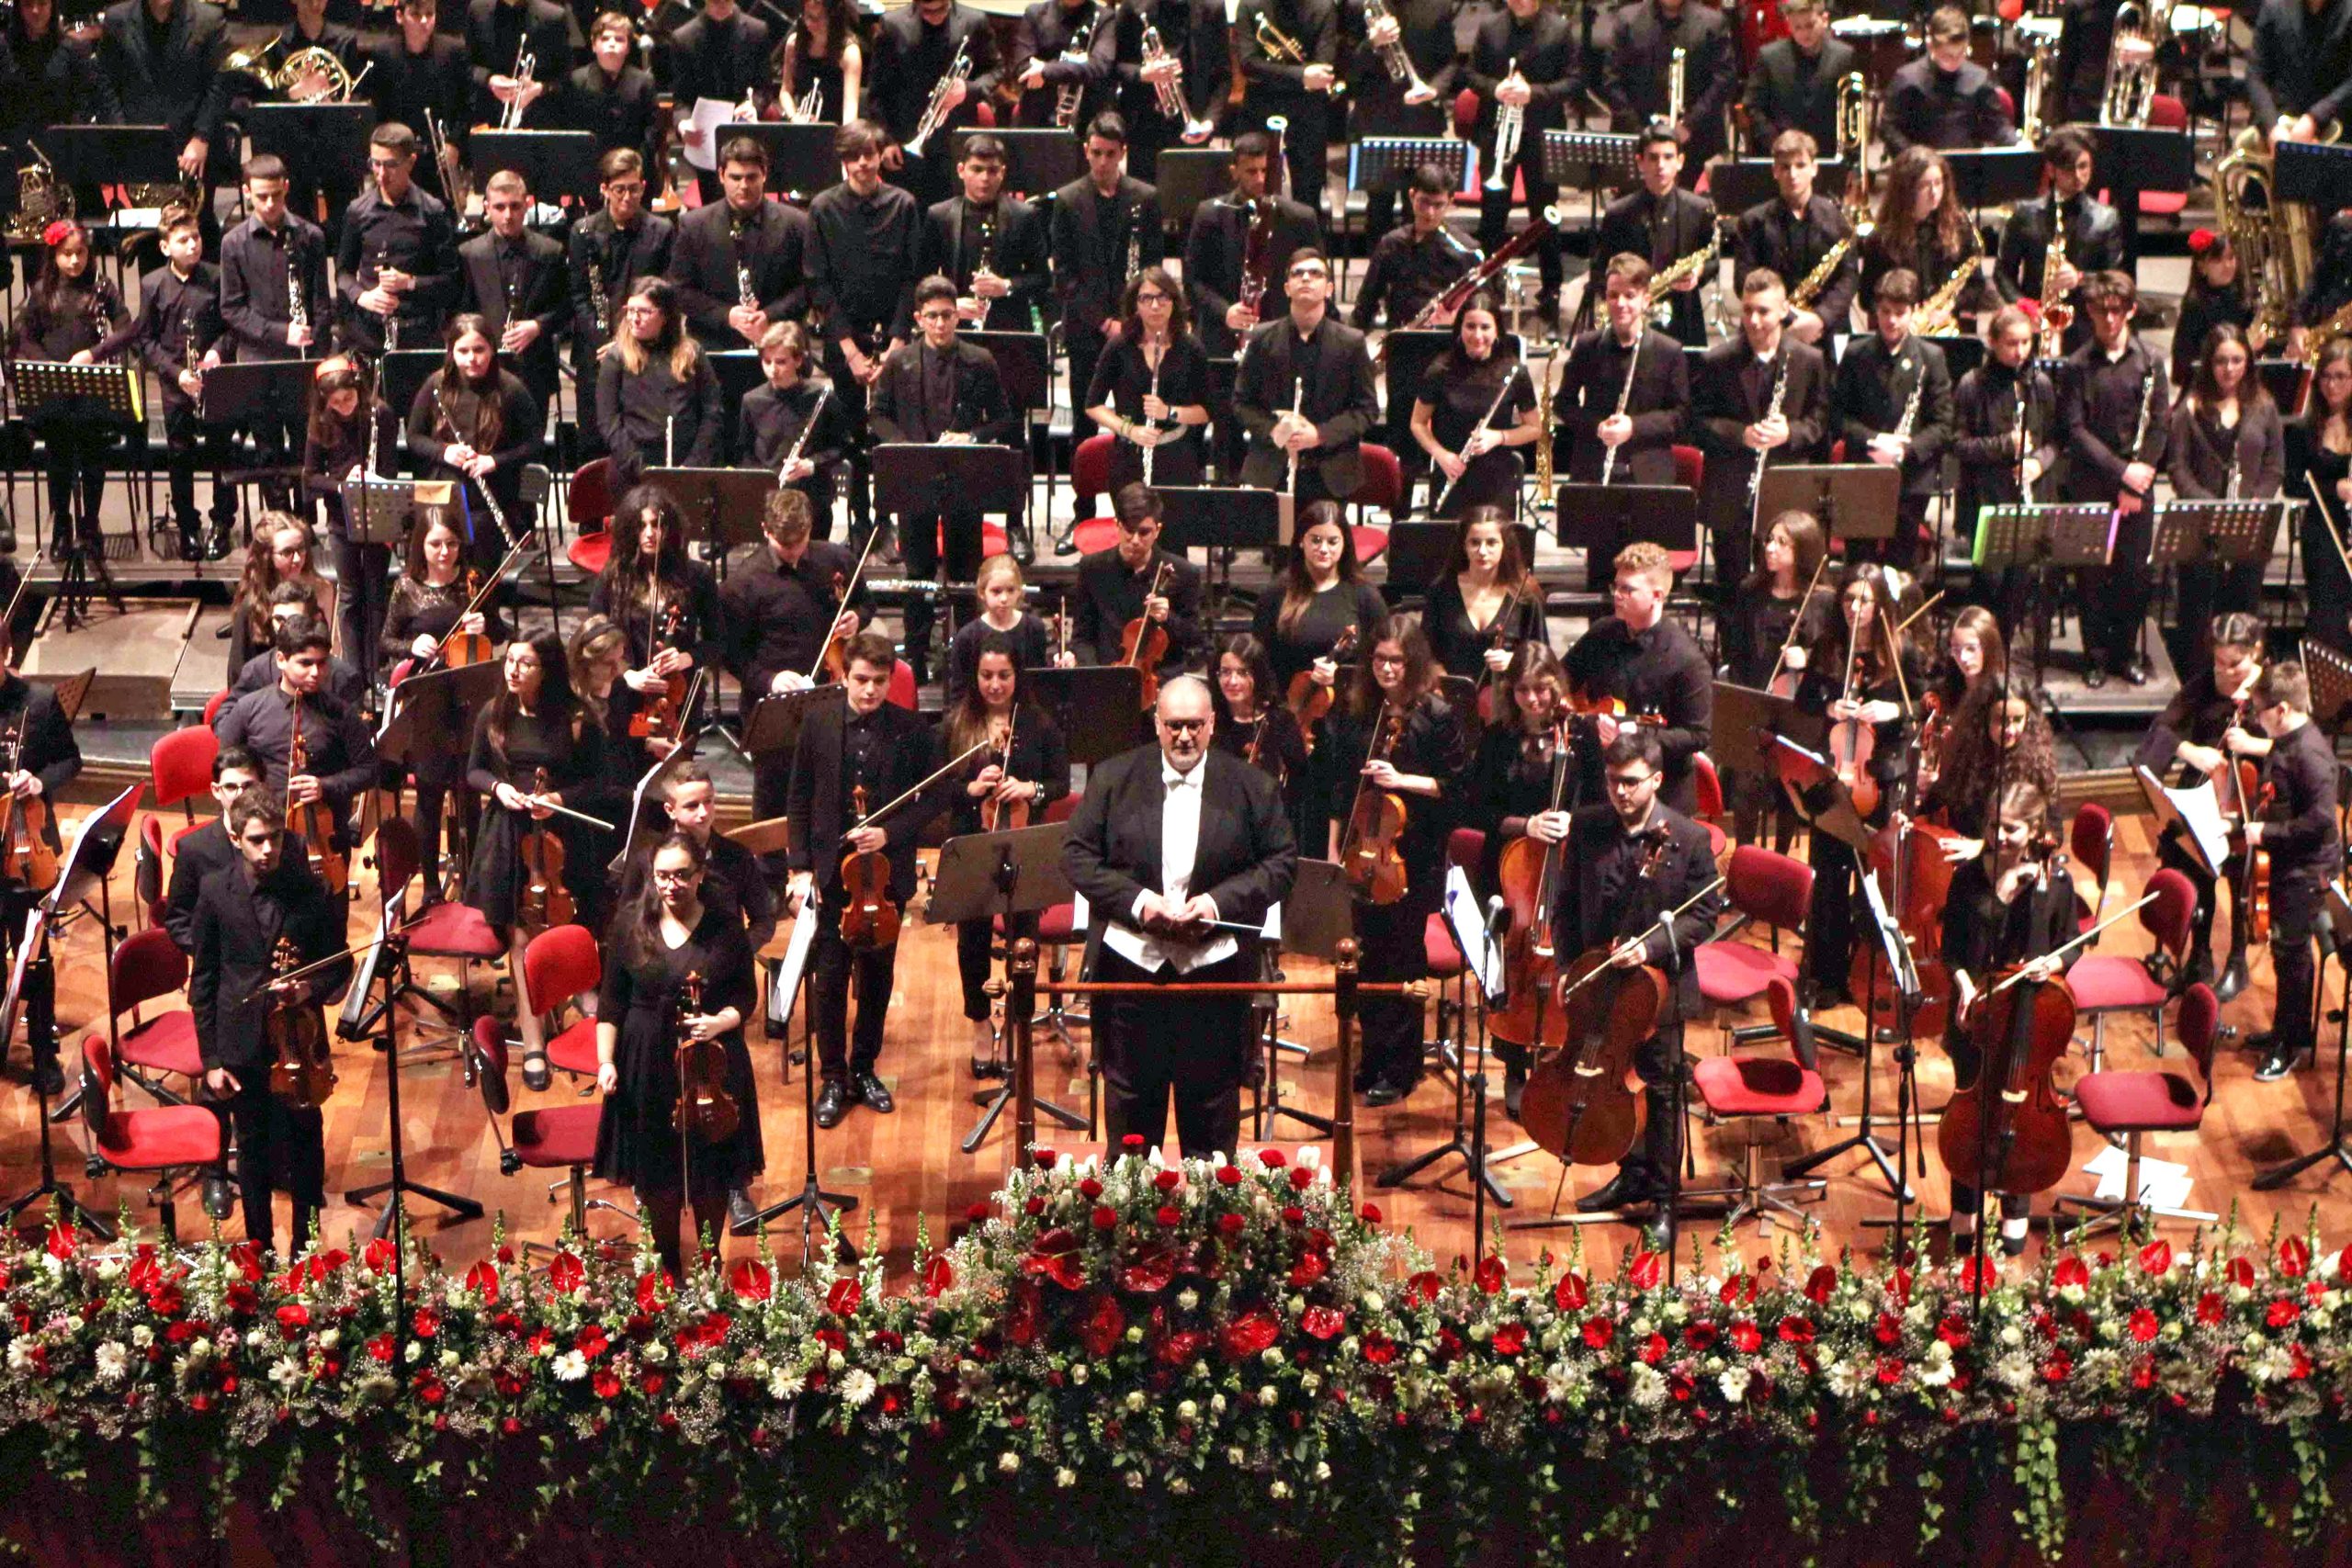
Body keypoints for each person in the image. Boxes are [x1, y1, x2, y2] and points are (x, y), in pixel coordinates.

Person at [1064, 674, 1298, 1156]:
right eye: (1174, 726)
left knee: (1211, 1116)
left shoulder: (1252, 785)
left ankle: (1213, 1226)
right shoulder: (1113, 778)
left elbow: (1281, 864)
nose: (1184, 736)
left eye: (1194, 725)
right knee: (1130, 1112)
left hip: (1212, 975)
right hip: (1131, 969)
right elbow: (1077, 857)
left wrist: (1216, 905)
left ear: (1212, 724)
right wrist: (1139, 902)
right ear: (1156, 724)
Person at [786, 632, 949, 1126]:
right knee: (830, 980)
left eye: (880, 682)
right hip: (831, 876)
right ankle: (833, 1075)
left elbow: (935, 798)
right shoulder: (817, 723)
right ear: (843, 676)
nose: (870, 691)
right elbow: (798, 798)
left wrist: (890, 832)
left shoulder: (911, 728)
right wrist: (799, 867)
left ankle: (864, 1067)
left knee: (877, 978)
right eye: (861, 680)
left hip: (885, 876)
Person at [1561, 729, 1725, 1213]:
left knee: (1661, 1089)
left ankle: (1663, 1199)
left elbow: (1703, 917)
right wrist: (1570, 968)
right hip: (1598, 980)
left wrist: (1649, 948)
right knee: (1613, 1084)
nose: (1621, 792)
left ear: (1656, 779)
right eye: (1614, 782)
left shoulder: (1690, 838)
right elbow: (1567, 904)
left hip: (1660, 988)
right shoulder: (1589, 827)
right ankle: (1629, 1175)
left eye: (1632, 782)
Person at [592, 832, 763, 1279]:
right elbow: (611, 1004)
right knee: (656, 1171)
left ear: (700, 874)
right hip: (646, 1058)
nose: (671, 885)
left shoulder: (725, 926)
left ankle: (709, 1260)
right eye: (662, 876)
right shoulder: (631, 924)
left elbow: (746, 996)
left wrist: (720, 1022)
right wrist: (606, 1062)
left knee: (712, 1166)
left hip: (713, 1062)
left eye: (681, 876)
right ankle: (669, 1264)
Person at [190, 795, 351, 1259]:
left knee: (305, 1141)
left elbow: (337, 965)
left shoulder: (309, 889)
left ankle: (305, 1248)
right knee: (253, 1145)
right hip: (241, 1039)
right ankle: (258, 1248)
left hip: (298, 1039)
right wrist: (212, 1060)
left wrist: (307, 990)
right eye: (256, 840)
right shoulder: (216, 892)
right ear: (236, 840)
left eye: (274, 838)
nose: (267, 849)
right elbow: (203, 980)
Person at [1327, 618, 1466, 1105]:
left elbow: (1456, 792)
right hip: (1363, 851)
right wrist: (1334, 852)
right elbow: (1340, 786)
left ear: (1414, 663)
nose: (1386, 669)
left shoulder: (1438, 715)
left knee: (1402, 958)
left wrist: (1401, 780)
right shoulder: (1359, 710)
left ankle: (1402, 1067)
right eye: (1379, 659)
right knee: (1365, 957)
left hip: (1414, 855)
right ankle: (1372, 1059)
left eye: (1396, 660)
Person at [1939, 778, 2077, 1256]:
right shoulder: (1970, 876)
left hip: (2031, 1018)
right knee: (1972, 1116)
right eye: (1995, 826)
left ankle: (2016, 1212)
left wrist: (2053, 963)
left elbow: (2072, 944)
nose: (1999, 838)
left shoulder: (2056, 881)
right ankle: (1964, 1210)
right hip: (1977, 1017)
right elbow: (1955, 951)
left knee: (2022, 1105)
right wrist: (1964, 989)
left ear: (2036, 829)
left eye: (2012, 830)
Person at [466, 631, 604, 1076]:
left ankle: (589, 1009)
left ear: (547, 671)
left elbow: (601, 783)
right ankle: (532, 1043)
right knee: (521, 937)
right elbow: (475, 771)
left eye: (525, 663)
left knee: (574, 925)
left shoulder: (577, 718)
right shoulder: (494, 713)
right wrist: (500, 787)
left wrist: (559, 799)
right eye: (510, 661)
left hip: (561, 837)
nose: (513, 670)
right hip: (508, 835)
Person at [870, 275, 1018, 680]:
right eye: (932, 316)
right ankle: (916, 661)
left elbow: (1005, 418)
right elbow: (878, 415)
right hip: (915, 477)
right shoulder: (899, 363)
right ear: (918, 318)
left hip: (964, 478)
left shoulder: (980, 360)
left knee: (965, 575)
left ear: (959, 316)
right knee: (916, 573)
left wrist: (971, 436)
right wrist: (905, 447)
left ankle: (964, 660)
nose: (940, 324)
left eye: (948, 316)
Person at [940, 634, 1069, 1074]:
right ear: (974, 677)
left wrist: (1031, 789)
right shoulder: (958, 724)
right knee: (972, 940)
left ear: (1018, 676)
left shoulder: (1039, 725)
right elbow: (941, 790)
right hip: (973, 845)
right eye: (986, 676)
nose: (994, 685)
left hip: (1023, 844)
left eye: (1003, 676)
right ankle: (980, 1023)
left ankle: (1017, 1023)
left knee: (1024, 940)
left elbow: (1061, 784)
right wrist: (971, 789)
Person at [1793, 564, 1924, 1001]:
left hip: (1881, 776)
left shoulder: (1902, 652)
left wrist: (1893, 713)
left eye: (1864, 600)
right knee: (1829, 877)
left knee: (1874, 881)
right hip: (1836, 772)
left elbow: (1921, 706)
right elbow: (1805, 698)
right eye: (1848, 599)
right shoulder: (1830, 647)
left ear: (1881, 604)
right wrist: (1831, 708)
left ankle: (1867, 973)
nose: (1855, 608)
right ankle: (1826, 976)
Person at [721, 488, 867, 839]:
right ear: (765, 530)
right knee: (774, 795)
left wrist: (856, 618)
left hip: (830, 691)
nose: (793, 553)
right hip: (773, 703)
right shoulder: (742, 583)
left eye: (800, 542)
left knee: (832, 786)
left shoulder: (835, 559)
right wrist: (769, 679)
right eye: (783, 546)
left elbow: (865, 601)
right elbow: (729, 654)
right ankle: (770, 879)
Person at [2132, 612, 2265, 991]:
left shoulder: (2271, 689)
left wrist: (2255, 745)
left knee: (2239, 870)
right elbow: (2163, 727)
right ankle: (2200, 955)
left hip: (2253, 798)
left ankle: (2238, 957)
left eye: (2235, 664)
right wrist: (2192, 751)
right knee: (2188, 851)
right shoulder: (2206, 684)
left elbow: (2297, 745)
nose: (2225, 672)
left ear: (2255, 652)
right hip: (2206, 790)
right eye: (2219, 663)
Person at [1466, 642, 1570, 1117]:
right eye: (1524, 690)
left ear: (1557, 687)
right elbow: (1479, 809)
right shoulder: (1497, 739)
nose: (1533, 700)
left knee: (1565, 963)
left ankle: (1559, 1061)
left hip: (1564, 868)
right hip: (1509, 870)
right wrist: (1525, 825)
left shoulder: (1578, 739)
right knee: (1508, 970)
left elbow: (1600, 802)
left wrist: (1570, 822)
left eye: (1542, 689)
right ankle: (1511, 1064)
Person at [807, 119, 923, 542]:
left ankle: (888, 519)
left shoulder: (904, 205)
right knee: (853, 431)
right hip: (845, 338)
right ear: (843, 162)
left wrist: (896, 342)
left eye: (869, 155)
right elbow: (819, 285)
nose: (862, 164)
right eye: (853, 157)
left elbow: (912, 278)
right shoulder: (822, 208)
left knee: (890, 432)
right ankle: (858, 520)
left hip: (894, 338)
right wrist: (851, 352)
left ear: (880, 157)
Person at [382, 513, 512, 892]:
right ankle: (431, 887)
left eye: (452, 544)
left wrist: (485, 626)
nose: (444, 552)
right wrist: (412, 645)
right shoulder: (407, 586)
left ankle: (471, 880)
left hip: (471, 697)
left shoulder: (474, 583)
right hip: (428, 697)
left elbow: (504, 632)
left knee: (469, 792)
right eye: (436, 544)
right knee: (429, 793)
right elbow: (384, 641)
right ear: (421, 544)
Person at [94, 206, 229, 563]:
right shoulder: (153, 284)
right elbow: (146, 340)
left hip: (213, 381)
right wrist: (174, 372)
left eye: (196, 237)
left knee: (220, 452)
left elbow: (230, 327)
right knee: (180, 456)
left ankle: (221, 523)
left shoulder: (216, 277)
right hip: (176, 385)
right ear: (166, 247)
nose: (192, 245)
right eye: (183, 240)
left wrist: (216, 352)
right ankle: (187, 526)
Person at [1250, 502, 1388, 847]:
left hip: (1348, 720)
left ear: (1345, 545)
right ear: (1300, 542)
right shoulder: (1276, 595)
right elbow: (1260, 659)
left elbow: (1384, 664)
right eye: (1315, 540)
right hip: (1293, 719)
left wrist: (1341, 678)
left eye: (1332, 541)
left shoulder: (1365, 597)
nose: (1324, 549)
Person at [2233, 661, 2342, 1080]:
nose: (2256, 721)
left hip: (2306, 870)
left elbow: (2320, 822)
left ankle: (2292, 1042)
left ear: (2280, 710)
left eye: (2261, 712)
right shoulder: (2284, 739)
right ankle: (2288, 1030)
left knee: (2292, 956)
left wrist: (2268, 832)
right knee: (2286, 953)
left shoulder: (2310, 755)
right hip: (2287, 861)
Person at [2060, 268, 2169, 686]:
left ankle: (2125, 654)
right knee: (2091, 576)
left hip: (2138, 489)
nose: (2109, 320)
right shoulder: (2076, 366)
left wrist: (2134, 481)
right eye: (2101, 312)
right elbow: (2074, 430)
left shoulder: (2151, 361)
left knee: (2134, 576)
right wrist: (2121, 471)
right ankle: (2095, 657)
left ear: (2131, 311)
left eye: (2117, 312)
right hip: (2093, 483)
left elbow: (2159, 424)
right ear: (2088, 312)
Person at [1690, 268, 1830, 592]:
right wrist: (1742, 434)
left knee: (1784, 586)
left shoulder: (1809, 360)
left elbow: (1819, 420)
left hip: (1786, 486)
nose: (1753, 320)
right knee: (1732, 589)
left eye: (1763, 311)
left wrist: (1790, 433)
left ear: (1784, 311)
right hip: (1731, 490)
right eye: (1748, 310)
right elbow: (1697, 423)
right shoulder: (1717, 361)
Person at [1564, 541, 1712, 814]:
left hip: (1661, 797)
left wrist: (1636, 733)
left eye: (1628, 589)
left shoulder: (1687, 659)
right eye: (1616, 586)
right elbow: (1564, 677)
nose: (1617, 595)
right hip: (1600, 787)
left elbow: (1697, 735)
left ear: (1657, 595)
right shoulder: (1602, 633)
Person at [217, 616, 379, 864]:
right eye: (305, 663)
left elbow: (369, 770)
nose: (316, 672)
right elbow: (224, 767)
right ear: (281, 660)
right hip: (265, 836)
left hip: (325, 836)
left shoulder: (340, 712)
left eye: (322, 663)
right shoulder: (248, 709)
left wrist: (325, 786)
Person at [12, 220, 129, 560]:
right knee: (58, 458)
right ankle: (62, 525)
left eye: (80, 253)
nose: (75, 261)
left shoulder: (102, 287)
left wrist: (95, 355)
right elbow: (25, 337)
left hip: (91, 385)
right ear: (55, 256)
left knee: (93, 455)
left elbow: (125, 327)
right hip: (55, 388)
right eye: (67, 255)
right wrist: (50, 367)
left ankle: (90, 525)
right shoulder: (42, 291)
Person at [220, 155, 329, 516]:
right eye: (261, 197)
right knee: (267, 448)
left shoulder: (310, 236)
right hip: (258, 358)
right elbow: (232, 309)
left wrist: (318, 348)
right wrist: (283, 334)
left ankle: (307, 520)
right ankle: (280, 520)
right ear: (247, 193)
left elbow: (321, 302)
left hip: (303, 359)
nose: (269, 205)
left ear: (286, 189)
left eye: (276, 196)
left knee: (305, 444)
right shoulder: (234, 243)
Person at [1557, 254, 1690, 550]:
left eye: (1630, 296)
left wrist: (1634, 427)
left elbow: (1681, 416)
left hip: (1649, 475)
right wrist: (1597, 427)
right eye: (1613, 295)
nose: (1620, 304)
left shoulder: (1670, 351)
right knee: (1600, 570)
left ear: (1647, 300)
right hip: (1596, 471)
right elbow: (1563, 405)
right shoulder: (1588, 346)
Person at [1234, 249, 1381, 504]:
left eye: (1315, 273)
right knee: (1277, 544)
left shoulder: (1351, 342)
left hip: (1330, 473)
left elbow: (1367, 410)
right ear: (1287, 288)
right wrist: (1275, 432)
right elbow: (1241, 403)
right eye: (1297, 273)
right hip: (1273, 469)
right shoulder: (1261, 338)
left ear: (1329, 289)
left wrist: (1319, 435)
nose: (1305, 278)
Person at [1830, 269, 1953, 574]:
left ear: (1914, 312)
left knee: (1901, 569)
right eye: (1885, 312)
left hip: (1911, 478)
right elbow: (1836, 416)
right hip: (1863, 473)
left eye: (1900, 312)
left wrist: (1905, 450)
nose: (1892, 320)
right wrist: (1873, 439)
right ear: (1875, 311)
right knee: (1859, 565)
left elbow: (1943, 424)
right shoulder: (1857, 355)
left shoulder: (1931, 357)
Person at [589, 485, 727, 754]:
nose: (649, 533)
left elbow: (719, 642)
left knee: (674, 775)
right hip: (627, 696)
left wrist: (687, 658)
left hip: (678, 698)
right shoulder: (614, 577)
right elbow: (593, 638)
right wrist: (627, 675)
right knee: (629, 774)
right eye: (641, 526)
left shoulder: (696, 577)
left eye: (656, 524)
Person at [0, 649, 82, 1095]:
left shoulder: (40, 701)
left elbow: (71, 761)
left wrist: (38, 782)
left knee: (35, 957)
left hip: (28, 847)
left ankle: (42, 1049)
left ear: (6, 655)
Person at [2169, 323, 2285, 632]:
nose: (2229, 369)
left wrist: (2254, 501)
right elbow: (2177, 466)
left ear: (2248, 361)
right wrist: (2208, 504)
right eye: (2221, 361)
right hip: (2201, 524)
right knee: (2197, 616)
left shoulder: (2264, 405)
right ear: (2209, 364)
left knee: (2242, 614)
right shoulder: (2191, 407)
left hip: (2247, 523)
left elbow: (2274, 465)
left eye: (2236, 360)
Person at [1052, 113, 1166, 424]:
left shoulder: (1146, 198)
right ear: (1086, 150)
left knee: (1136, 418)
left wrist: (1131, 318)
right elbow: (1063, 276)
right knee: (1085, 417)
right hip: (1086, 328)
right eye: (1096, 153)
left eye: (1110, 154)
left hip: (1135, 327)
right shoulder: (1067, 199)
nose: (1102, 162)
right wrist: (1104, 322)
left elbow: (1154, 267)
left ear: (1123, 152)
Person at [405, 314, 543, 569]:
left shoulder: (511, 389)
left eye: (479, 350)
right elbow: (413, 438)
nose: (472, 358)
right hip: (442, 486)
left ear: (492, 348)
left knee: (478, 539)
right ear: (451, 352)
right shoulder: (436, 384)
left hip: (492, 491)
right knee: (432, 538)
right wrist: (443, 452)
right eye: (463, 351)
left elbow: (534, 444)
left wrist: (493, 461)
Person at [1951, 306, 2058, 630]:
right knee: (1988, 589)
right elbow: (1957, 444)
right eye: (2012, 343)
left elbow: (2055, 441)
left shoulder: (2039, 383)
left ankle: (2006, 653)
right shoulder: (1973, 385)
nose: (2020, 351)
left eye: (2026, 343)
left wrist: (2038, 463)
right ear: (1993, 342)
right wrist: (2005, 445)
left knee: (2018, 589)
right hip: (1984, 499)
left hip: (2027, 498)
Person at [1468, 0, 1577, 316]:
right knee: (1492, 215)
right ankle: (1487, 286)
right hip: (1497, 133)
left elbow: (1574, 81)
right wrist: (1496, 88)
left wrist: (1534, 94)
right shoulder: (1490, 28)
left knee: (1544, 216)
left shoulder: (1559, 29)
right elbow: (1471, 74)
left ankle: (1551, 291)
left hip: (1540, 135)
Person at [1993, 129, 2125, 365]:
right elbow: (2003, 272)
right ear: (2051, 169)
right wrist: (2024, 306)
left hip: (2086, 326)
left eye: (2084, 166)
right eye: (2068, 169)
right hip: (2033, 325)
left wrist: (2080, 278)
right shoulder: (2025, 215)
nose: (2078, 176)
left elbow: (2116, 278)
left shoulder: (2107, 218)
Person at [300, 359, 402, 666]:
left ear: (359, 390)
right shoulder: (320, 420)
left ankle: (375, 666)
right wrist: (342, 486)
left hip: (377, 513)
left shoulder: (380, 414)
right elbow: (311, 476)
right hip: (341, 518)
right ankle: (353, 670)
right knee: (349, 595)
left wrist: (371, 478)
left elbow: (391, 468)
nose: (343, 406)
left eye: (348, 398)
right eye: (335, 402)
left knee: (375, 594)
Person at [667, 134, 810, 352]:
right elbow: (680, 291)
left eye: (751, 177)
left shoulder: (796, 223)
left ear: (764, 175)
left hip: (782, 344)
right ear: (722, 176)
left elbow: (810, 286)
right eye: (736, 177)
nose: (744, 186)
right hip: (714, 345)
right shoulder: (694, 225)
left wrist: (769, 316)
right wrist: (727, 315)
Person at [1188, 134, 1325, 355]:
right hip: (1224, 335)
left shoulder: (1300, 218)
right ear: (1234, 172)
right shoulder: (1210, 215)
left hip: (1282, 336)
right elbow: (1194, 281)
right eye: (1251, 172)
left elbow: (1319, 277)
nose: (1260, 179)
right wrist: (1226, 312)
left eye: (1265, 171)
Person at [336, 123, 460, 358]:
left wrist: (409, 282)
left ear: (411, 162)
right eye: (375, 163)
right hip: (369, 333)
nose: (381, 174)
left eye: (391, 165)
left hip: (418, 332)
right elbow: (343, 273)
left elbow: (450, 282)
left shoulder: (432, 211)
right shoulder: (357, 211)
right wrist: (363, 296)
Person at [1409, 296, 1541, 515]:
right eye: (1470, 326)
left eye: (1485, 327)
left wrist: (1498, 437)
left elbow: (1534, 428)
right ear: (1460, 328)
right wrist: (1441, 455)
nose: (1477, 335)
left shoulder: (1514, 372)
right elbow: (1418, 423)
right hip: (1451, 473)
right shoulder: (1440, 369)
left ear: (1497, 330)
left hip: (1496, 479)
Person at [1085, 267, 1212, 492]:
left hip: (1178, 458)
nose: (1155, 306)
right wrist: (1129, 430)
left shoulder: (1191, 348)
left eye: (1163, 297)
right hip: (1129, 458)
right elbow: (1093, 405)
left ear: (1174, 302)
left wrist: (1169, 412)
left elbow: (1207, 411)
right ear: (1136, 304)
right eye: (1146, 298)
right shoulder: (1118, 346)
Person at [866, 0, 1003, 206]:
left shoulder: (974, 21)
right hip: (905, 144)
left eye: (939, 10)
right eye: (926, 11)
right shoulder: (892, 24)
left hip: (956, 144)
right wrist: (886, 140)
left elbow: (996, 70)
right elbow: (878, 92)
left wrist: (969, 89)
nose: (933, 16)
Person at [1591, 123, 1715, 348]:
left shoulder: (1699, 209)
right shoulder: (1619, 213)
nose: (1661, 165)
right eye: (1653, 158)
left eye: (1669, 157)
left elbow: (1712, 258)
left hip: (1684, 318)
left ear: (1680, 162)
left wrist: (1698, 271)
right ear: (1640, 162)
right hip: (1633, 318)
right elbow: (1601, 270)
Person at [1733, 130, 1858, 350]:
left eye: (1800, 165)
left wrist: (1819, 318)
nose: (1793, 174)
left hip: (1824, 329)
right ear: (1775, 171)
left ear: (1814, 168)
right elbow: (1744, 280)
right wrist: (1787, 316)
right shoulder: (1753, 221)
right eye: (1785, 166)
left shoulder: (1838, 220)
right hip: (1770, 327)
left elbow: (1848, 278)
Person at [457, 169, 567, 416]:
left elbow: (566, 307)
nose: (508, 215)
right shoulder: (469, 253)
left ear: (527, 205)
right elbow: (461, 311)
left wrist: (537, 326)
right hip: (484, 368)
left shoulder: (550, 251)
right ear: (487, 208)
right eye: (499, 207)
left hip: (534, 368)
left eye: (515, 206)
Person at [1342, 0, 1453, 243]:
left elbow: (1450, 62)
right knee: (1378, 210)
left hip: (1422, 123)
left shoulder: (1439, 6)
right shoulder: (1355, 7)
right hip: (1375, 123)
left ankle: (1417, 278)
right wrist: (1372, 42)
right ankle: (1380, 274)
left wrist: (1434, 89)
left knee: (1421, 208)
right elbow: (1345, 70)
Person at [596, 277, 724, 488]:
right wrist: (643, 470)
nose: (634, 319)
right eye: (630, 310)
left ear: (664, 316)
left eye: (644, 312)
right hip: (633, 473)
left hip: (686, 469)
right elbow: (608, 422)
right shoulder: (616, 358)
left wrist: (692, 465)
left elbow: (712, 411)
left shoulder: (692, 353)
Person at [96, 0, 232, 194]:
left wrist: (201, 137)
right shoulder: (116, 18)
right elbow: (105, 82)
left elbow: (219, 83)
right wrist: (122, 135)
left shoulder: (209, 19)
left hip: (193, 146)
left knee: (196, 221)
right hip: (139, 143)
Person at [918, 134, 1051, 334]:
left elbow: (1042, 278)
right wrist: (950, 305)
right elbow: (922, 280)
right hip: (954, 328)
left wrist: (1006, 286)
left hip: (1008, 329)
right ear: (961, 170)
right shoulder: (939, 215)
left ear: (1003, 172)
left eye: (992, 170)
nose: (985, 178)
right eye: (977, 169)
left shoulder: (1024, 216)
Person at [1069, 483, 1204, 673]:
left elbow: (1197, 642)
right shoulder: (1092, 568)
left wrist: (1169, 619)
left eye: (1143, 532)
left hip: (1160, 679)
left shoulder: (1184, 573)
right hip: (1106, 674)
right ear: (1118, 525)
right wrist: (1094, 674)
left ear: (1157, 530)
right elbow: (1082, 638)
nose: (1134, 540)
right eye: (1129, 530)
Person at [164, 745, 280, 954]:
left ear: (262, 786)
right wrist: (215, 955)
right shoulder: (193, 850)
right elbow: (178, 921)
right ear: (216, 791)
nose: (240, 795)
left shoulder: (288, 843)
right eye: (230, 787)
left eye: (248, 786)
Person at [1601, 0, 1736, 177]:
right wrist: (1642, 130)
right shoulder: (1627, 20)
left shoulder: (1713, 22)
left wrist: (1689, 124)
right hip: (1638, 137)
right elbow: (1611, 79)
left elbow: (1724, 79)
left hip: (1696, 142)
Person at [1234, 0, 1341, 216]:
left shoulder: (1323, 7)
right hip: (1261, 110)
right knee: (1255, 194)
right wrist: (1301, 75)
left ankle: (1307, 249)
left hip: (1308, 116)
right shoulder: (1250, 5)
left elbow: (1324, 66)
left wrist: (1275, 71)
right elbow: (1248, 64)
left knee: (1308, 200)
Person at [740, 321, 851, 525]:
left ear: (798, 360)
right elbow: (746, 454)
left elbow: (843, 447)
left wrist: (810, 465)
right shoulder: (752, 400)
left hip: (813, 500)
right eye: (767, 361)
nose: (773, 370)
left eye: (781, 362)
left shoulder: (823, 397)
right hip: (770, 502)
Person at [363, 0, 471, 209]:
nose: (424, 21)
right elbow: (379, 111)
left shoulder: (452, 52)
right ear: (399, 16)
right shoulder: (384, 55)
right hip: (398, 158)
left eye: (430, 14)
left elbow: (466, 105)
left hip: (440, 158)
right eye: (415, 14)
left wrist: (455, 143)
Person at [1350, 164, 1478, 338]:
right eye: (1424, 202)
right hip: (1400, 343)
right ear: (1411, 196)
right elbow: (1365, 306)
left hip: (1447, 346)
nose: (1430, 213)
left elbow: (1482, 308)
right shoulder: (1391, 244)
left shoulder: (1466, 250)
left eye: (1438, 205)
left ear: (1450, 202)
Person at [1421, 506, 1548, 681]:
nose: (1482, 551)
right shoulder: (1441, 591)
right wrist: (1438, 675)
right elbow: (1424, 653)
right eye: (1474, 542)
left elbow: (1543, 658)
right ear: (1464, 546)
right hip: (1452, 697)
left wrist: (1514, 661)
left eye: (1491, 543)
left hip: (1508, 697)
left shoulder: (1525, 595)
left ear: (1505, 546)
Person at [667, 0, 774, 199]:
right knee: (714, 211)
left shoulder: (757, 30)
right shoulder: (683, 38)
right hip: (706, 141)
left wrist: (754, 107)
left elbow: (764, 89)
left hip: (745, 132)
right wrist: (683, 124)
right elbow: (680, 99)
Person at [2289, 339, 2352, 652]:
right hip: (2324, 532)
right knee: (2327, 618)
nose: (2331, 385)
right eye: (2326, 376)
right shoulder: (2305, 429)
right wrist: (2334, 490)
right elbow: (2292, 484)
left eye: (2341, 376)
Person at [1883, 5, 2015, 154]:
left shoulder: (1979, 78)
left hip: (1966, 166)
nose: (1954, 60)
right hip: (1919, 169)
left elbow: (1997, 126)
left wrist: (2017, 143)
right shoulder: (1907, 79)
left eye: (1960, 53)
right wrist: (1915, 157)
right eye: (1947, 55)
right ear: (1930, 45)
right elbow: (1889, 128)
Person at [225, 516, 335, 680]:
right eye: (287, 552)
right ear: (267, 557)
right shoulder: (252, 607)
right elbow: (238, 675)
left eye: (301, 549)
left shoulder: (321, 590)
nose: (298, 559)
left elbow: (330, 653)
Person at [1209, 633, 1309, 811]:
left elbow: (1299, 784)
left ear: (1258, 675)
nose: (1232, 681)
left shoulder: (1280, 721)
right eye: (1225, 672)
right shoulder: (1208, 721)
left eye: (1242, 672)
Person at [1740, 0, 1855, 153]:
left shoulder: (1844, 56)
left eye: (1810, 25)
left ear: (1825, 20)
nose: (1804, 33)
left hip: (1828, 149)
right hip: (1781, 152)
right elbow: (1752, 105)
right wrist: (1775, 141)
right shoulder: (1769, 57)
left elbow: (1851, 109)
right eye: (1797, 27)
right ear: (1788, 25)